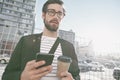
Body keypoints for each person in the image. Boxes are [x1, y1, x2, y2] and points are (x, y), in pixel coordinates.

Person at [2, 0, 80, 80]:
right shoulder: (25, 41)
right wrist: (22, 77)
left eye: (60, 13)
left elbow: (76, 75)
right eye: (51, 12)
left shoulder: (69, 47)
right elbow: (6, 76)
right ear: (43, 15)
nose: (56, 17)